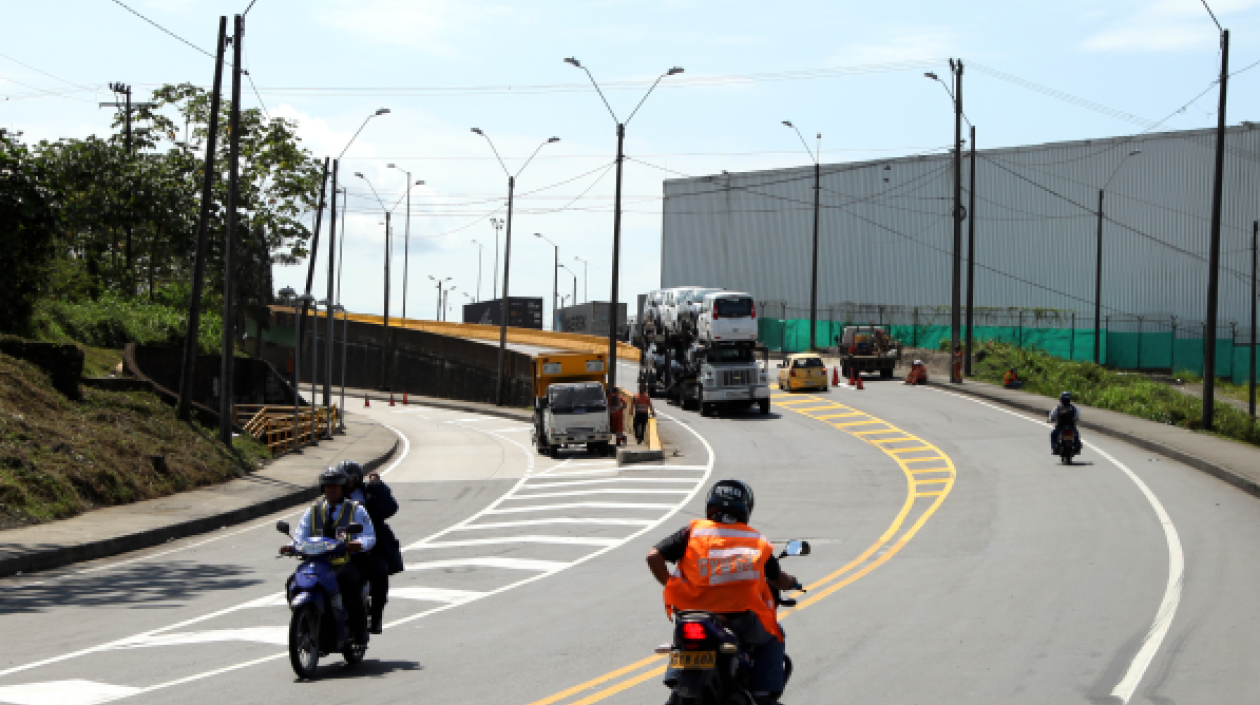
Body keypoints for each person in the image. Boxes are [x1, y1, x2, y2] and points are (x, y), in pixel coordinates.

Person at [647, 480, 797, 705]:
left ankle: (676, 675)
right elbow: (778, 579)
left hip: (694, 614)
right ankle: (764, 694)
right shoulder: (755, 541)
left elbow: (653, 556)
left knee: (684, 636)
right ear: (745, 507)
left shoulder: (693, 532)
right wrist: (792, 583)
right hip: (739, 618)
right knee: (775, 636)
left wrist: (671, 585)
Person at [280, 466, 375, 643]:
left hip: (347, 561)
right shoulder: (313, 510)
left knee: (346, 581)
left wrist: (359, 543)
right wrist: (290, 546)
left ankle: (359, 629)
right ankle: (304, 621)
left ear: (344, 487)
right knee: (293, 581)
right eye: (327, 486)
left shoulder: (356, 510)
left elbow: (369, 535)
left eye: (335, 485)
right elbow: (300, 535)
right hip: (318, 562)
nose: (331, 489)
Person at [340, 460, 403, 634]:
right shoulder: (335, 496)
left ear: (358, 479)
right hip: (340, 547)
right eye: (343, 479)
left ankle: (376, 617)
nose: (347, 483)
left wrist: (378, 486)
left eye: (350, 478)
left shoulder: (368, 493)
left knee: (380, 572)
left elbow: (390, 507)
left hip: (371, 546)